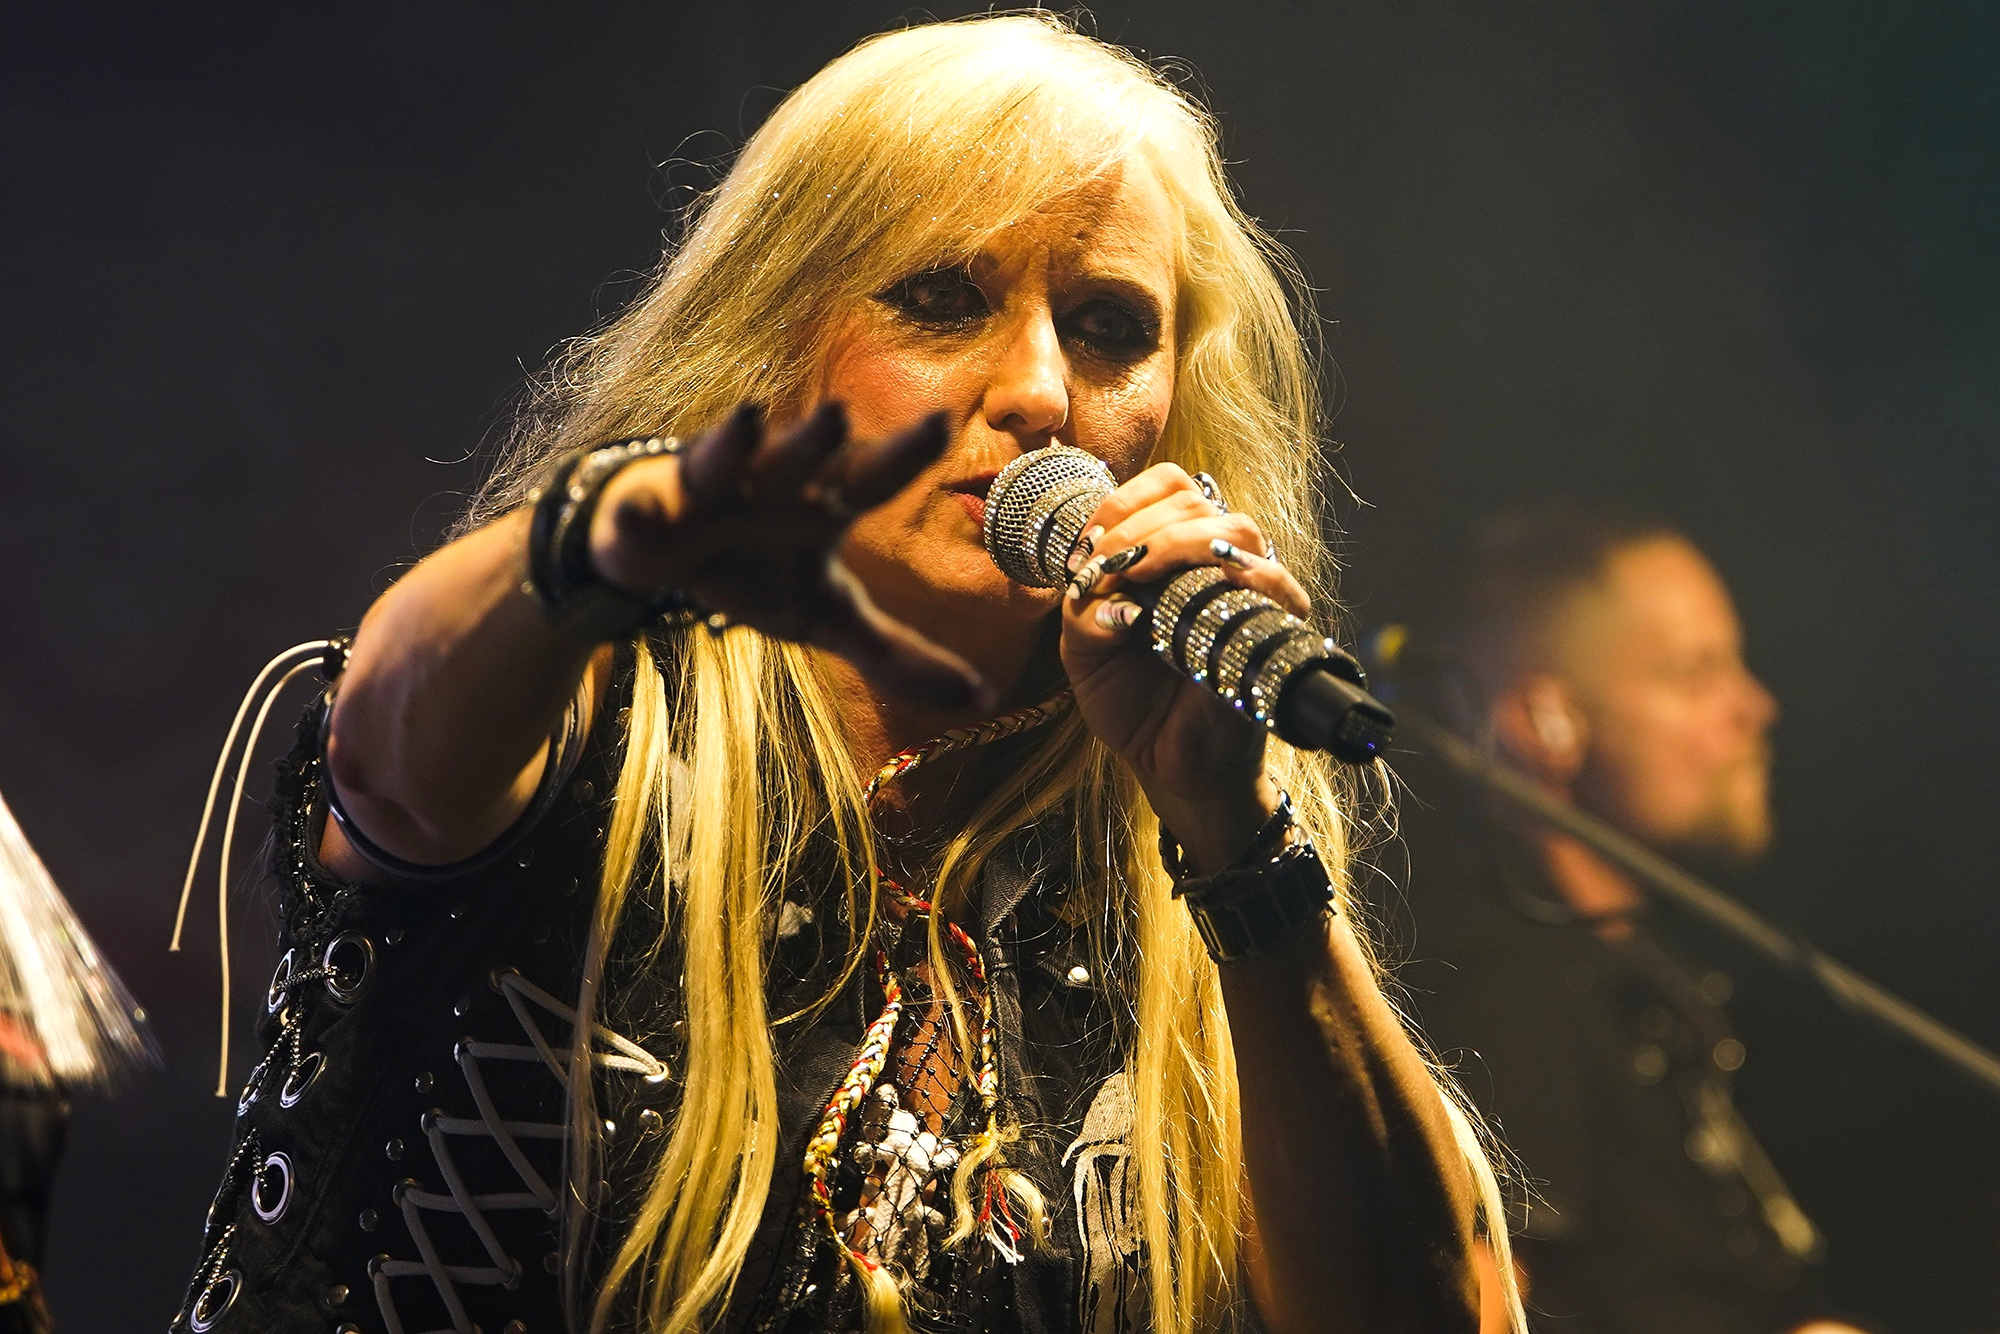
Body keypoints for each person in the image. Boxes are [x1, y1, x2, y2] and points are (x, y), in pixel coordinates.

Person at [171, 16, 1522, 1334]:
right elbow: (392, 747)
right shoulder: (605, 700)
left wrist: (1238, 839)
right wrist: (593, 534)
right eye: (943, 299)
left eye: (1109, 326)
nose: (1041, 390)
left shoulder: (1172, 847)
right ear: (775, 335)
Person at [1386, 504, 1863, 1334]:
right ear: (1544, 724)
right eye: (1695, 672)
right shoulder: (1511, 988)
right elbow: (1475, 1308)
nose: (1754, 707)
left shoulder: (1629, 981)